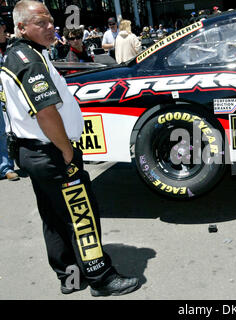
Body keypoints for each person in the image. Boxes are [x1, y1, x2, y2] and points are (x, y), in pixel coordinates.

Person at [1, 0, 139, 296]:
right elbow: (45, 112)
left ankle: (70, 275)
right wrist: (66, 150)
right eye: (41, 22)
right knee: (80, 213)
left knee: (53, 216)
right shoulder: (28, 60)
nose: (51, 26)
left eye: (51, 20)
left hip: (34, 152)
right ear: (21, 27)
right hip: (51, 151)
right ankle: (101, 277)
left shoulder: (25, 54)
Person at [0, 16, 19, 182]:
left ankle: (6, 166)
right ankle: (5, 167)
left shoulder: (10, 46)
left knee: (5, 131)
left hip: (8, 94)